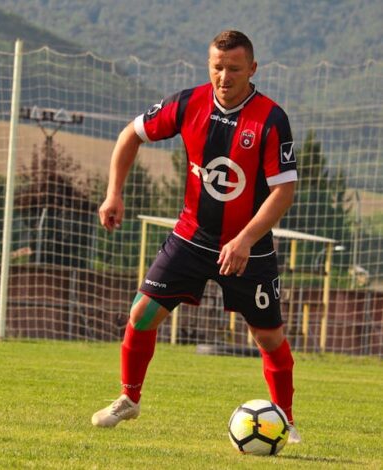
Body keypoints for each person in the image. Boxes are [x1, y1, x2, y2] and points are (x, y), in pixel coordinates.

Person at [91, 30, 301, 444]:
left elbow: (283, 191)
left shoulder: (271, 119)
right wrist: (114, 192)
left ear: (252, 69)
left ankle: (286, 420)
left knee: (268, 337)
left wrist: (244, 239)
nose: (224, 77)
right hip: (190, 236)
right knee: (142, 315)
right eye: (217, 67)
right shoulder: (188, 103)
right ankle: (128, 399)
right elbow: (130, 135)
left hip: (249, 248)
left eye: (234, 69)